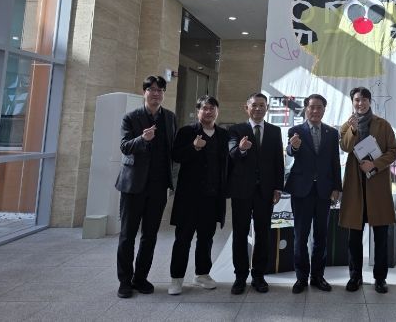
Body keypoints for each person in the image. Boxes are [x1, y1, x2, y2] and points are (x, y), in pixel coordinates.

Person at [115, 75, 176, 298]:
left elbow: (172, 150)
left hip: (158, 187)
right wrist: (142, 139)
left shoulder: (169, 117)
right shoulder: (131, 117)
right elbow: (124, 147)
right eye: (152, 89)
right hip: (133, 186)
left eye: (160, 90)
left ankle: (140, 278)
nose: (156, 94)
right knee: (127, 235)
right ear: (144, 92)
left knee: (150, 236)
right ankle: (124, 281)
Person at [167, 96, 229, 295]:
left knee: (206, 238)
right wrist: (193, 147)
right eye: (205, 108)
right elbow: (176, 156)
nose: (208, 112)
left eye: (212, 108)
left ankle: (202, 274)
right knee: (183, 239)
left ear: (217, 111)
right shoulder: (187, 131)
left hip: (212, 197)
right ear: (198, 111)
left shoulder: (223, 135)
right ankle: (176, 279)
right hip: (189, 197)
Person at [339, 86, 396, 294]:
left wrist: (375, 164)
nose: (360, 103)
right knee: (354, 238)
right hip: (355, 187)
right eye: (357, 100)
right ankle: (355, 276)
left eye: (364, 100)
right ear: (352, 102)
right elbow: (345, 147)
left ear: (370, 102)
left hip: (377, 186)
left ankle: (380, 278)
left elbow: (393, 151)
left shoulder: (383, 125)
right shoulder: (346, 126)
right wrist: (353, 130)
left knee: (380, 237)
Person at [227, 92, 284, 295]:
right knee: (240, 234)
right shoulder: (236, 129)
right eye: (254, 105)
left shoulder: (275, 131)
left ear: (267, 108)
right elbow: (231, 155)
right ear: (247, 108)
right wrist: (241, 149)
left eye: (262, 105)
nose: (258, 108)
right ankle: (240, 276)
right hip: (241, 191)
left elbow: (278, 161)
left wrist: (278, 187)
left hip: (265, 192)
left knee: (263, 234)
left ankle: (258, 276)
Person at [285, 94, 342, 294]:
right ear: (305, 109)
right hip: (302, 190)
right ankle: (301, 278)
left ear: (324, 110)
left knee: (321, 236)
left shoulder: (332, 133)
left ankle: (318, 276)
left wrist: (337, 187)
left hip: (324, 191)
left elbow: (335, 161)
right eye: (311, 107)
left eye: (319, 107)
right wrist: (293, 147)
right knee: (300, 236)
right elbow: (290, 151)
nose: (315, 111)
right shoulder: (295, 131)